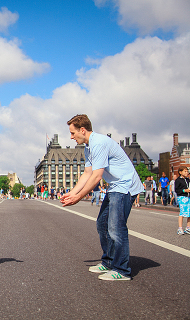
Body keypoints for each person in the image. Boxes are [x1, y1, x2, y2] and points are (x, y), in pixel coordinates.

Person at [61, 114, 143, 281]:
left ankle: (122, 269)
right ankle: (109, 262)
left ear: (82, 130)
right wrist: (72, 192)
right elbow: (87, 173)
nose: (71, 137)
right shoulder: (89, 146)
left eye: (72, 133)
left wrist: (79, 197)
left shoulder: (99, 143)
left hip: (125, 187)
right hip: (115, 187)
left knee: (116, 228)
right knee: (102, 224)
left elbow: (97, 177)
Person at [175, 166, 190, 235]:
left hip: (188, 197)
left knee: (189, 213)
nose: (187, 172)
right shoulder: (178, 180)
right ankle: (180, 228)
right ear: (180, 172)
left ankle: (188, 228)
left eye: (187, 171)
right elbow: (177, 190)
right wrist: (184, 190)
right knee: (182, 212)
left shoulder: (188, 180)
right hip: (182, 197)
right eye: (185, 171)